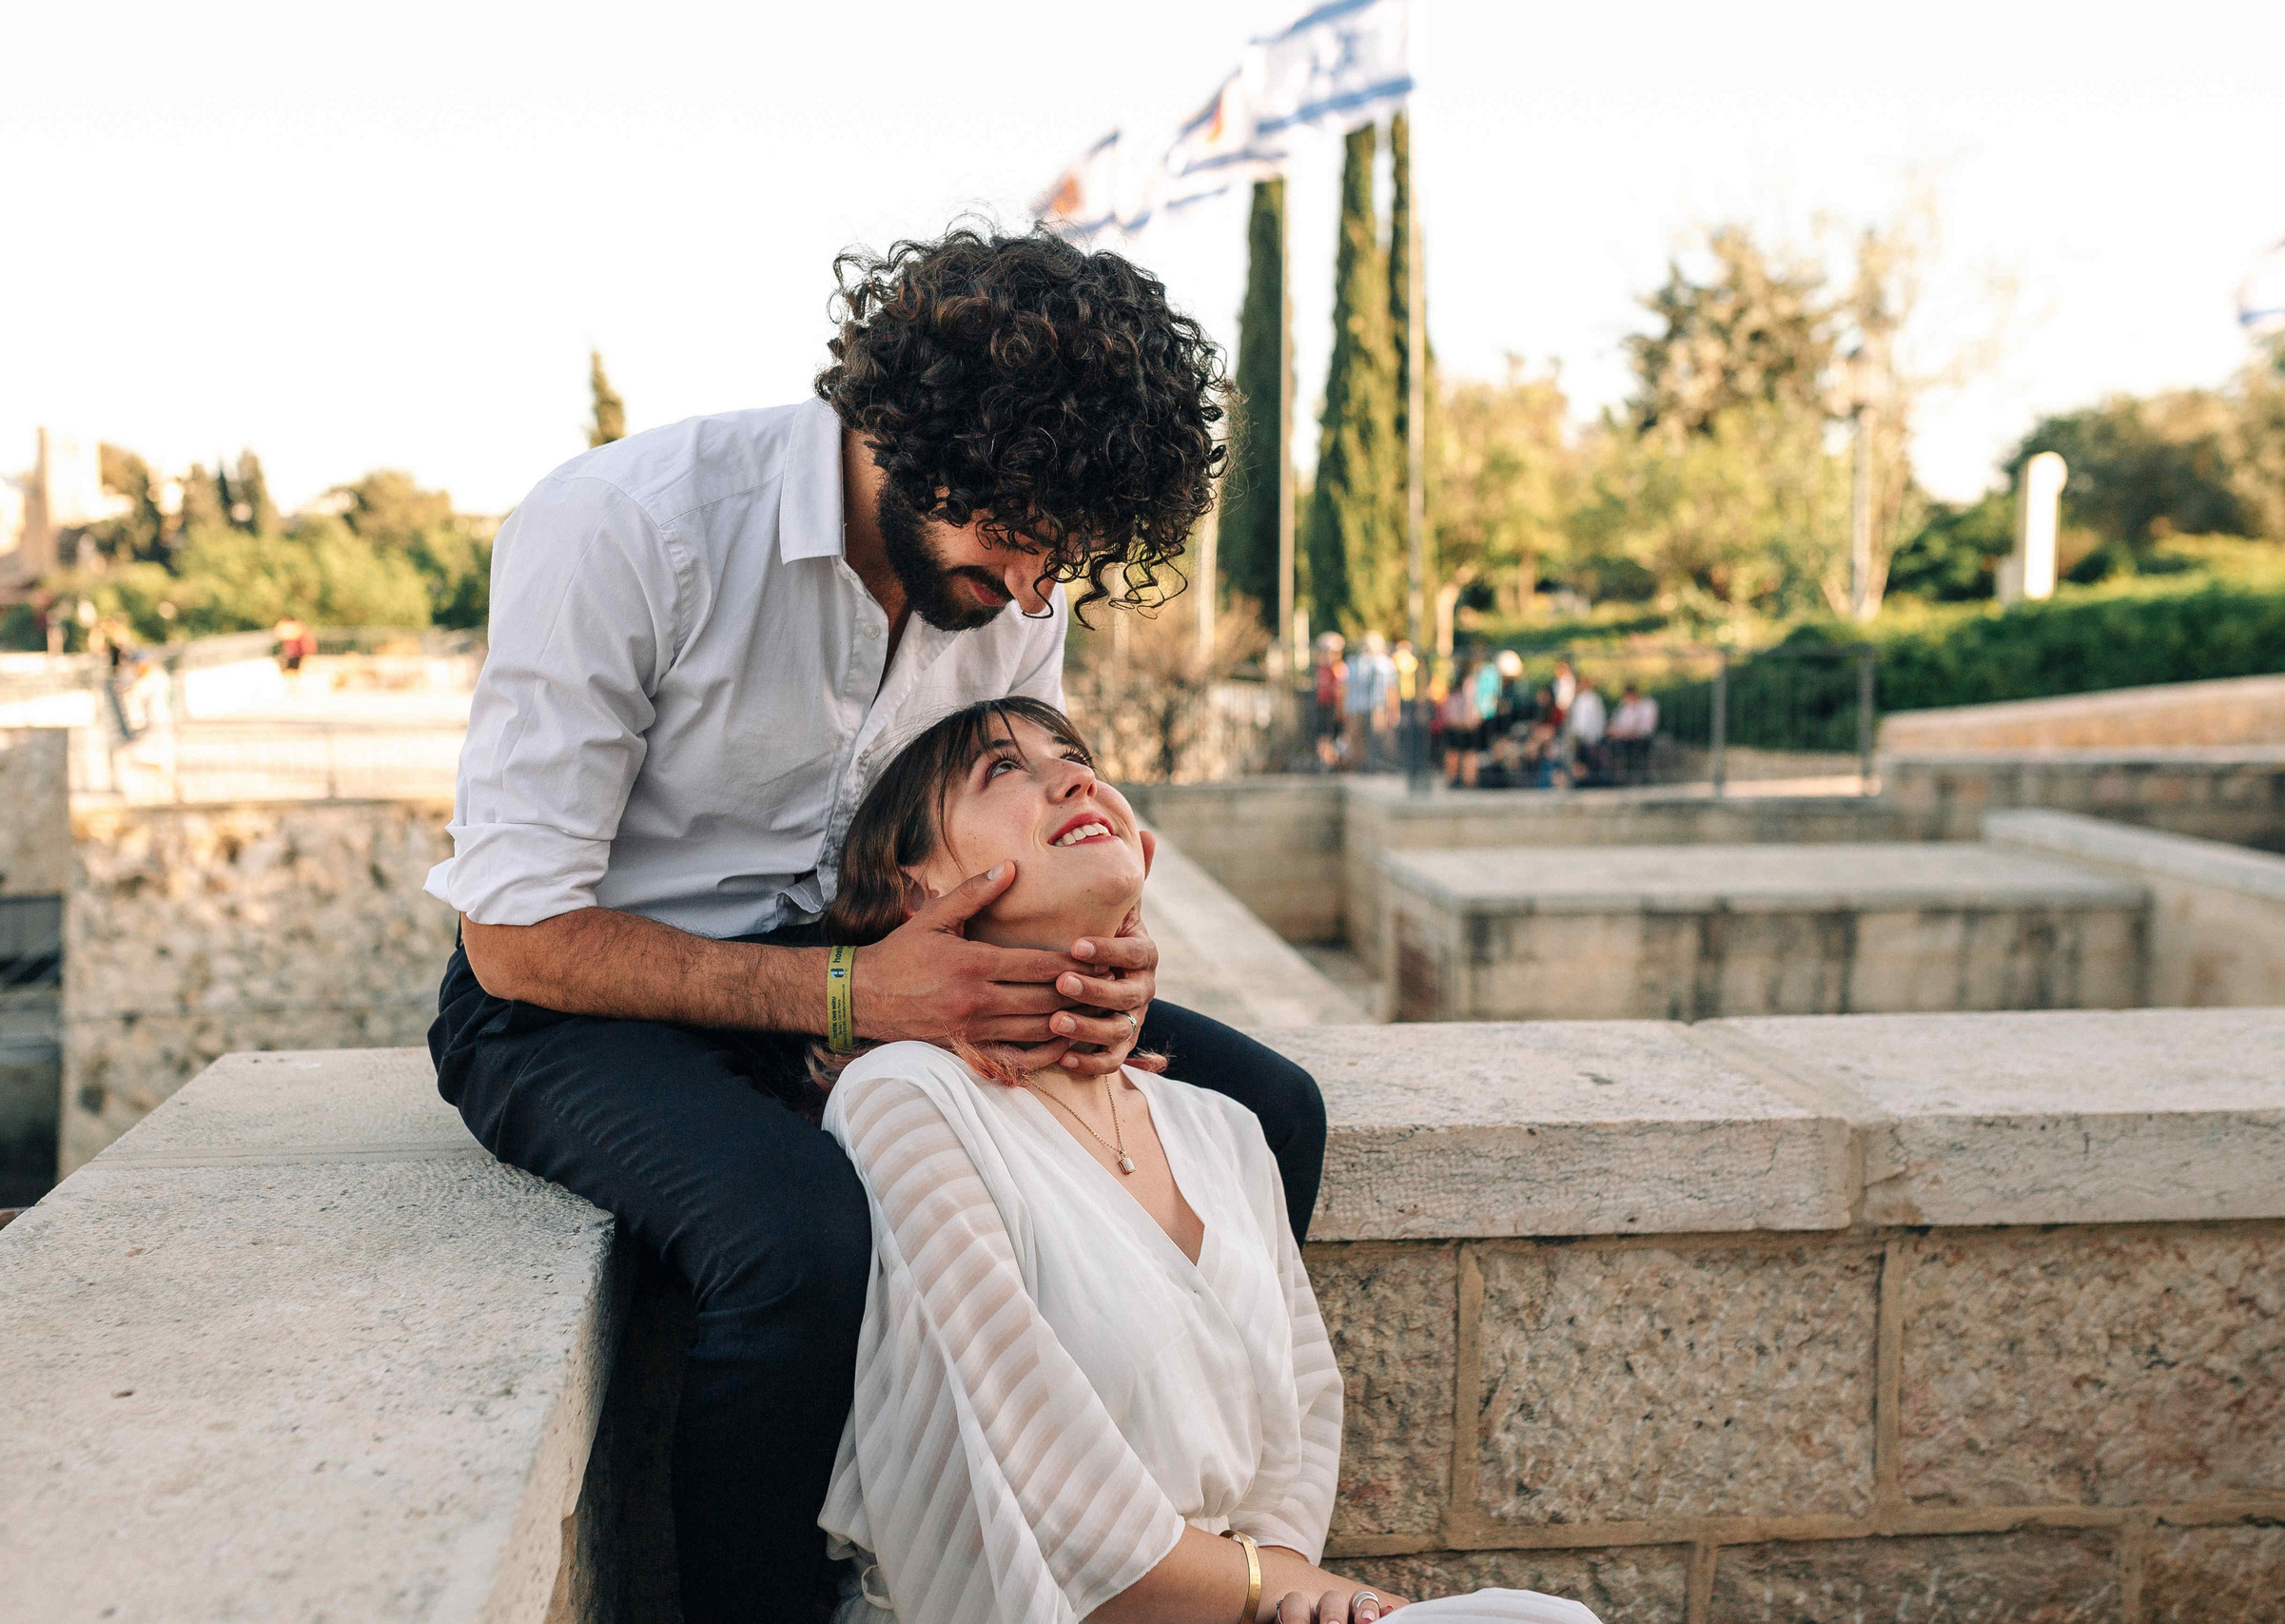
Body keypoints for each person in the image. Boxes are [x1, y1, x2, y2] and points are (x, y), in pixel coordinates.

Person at [424, 226, 1329, 1623]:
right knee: (796, 1241)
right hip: (579, 1001)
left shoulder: (1013, 575)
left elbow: (986, 836)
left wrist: (1094, 972)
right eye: (1023, 539)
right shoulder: (624, 525)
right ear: (915, 438)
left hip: (877, 960)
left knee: (1266, 1104)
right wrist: (856, 1002)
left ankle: (1163, 1544)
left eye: (1068, 558)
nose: (1036, 591)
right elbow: (517, 935)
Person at [811, 696, 1601, 1624]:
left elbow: (1305, 1409)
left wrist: (1287, 1593)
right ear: (917, 892)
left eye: (1073, 752)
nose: (1072, 775)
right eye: (1001, 770)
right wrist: (1274, 1588)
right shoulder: (910, 1102)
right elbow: (1037, 1479)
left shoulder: (1219, 1130)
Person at [1342, 632, 1399, 772]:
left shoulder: (1383, 663)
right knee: (1362, 738)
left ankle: (1372, 766)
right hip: (1363, 707)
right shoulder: (1355, 662)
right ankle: (1364, 767)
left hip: (1372, 707)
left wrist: (1393, 710)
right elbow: (1346, 687)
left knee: (1374, 737)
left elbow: (1390, 689)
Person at [1311, 631, 1349, 770]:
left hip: (1333, 706)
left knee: (1333, 736)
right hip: (1323, 705)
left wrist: (1340, 710)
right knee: (1322, 735)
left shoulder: (1339, 669)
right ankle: (1325, 762)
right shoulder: (1322, 668)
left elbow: (1341, 691)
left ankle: (1332, 762)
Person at [1608, 682, 1660, 783]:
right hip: (1625, 738)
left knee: (1627, 747)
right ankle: (1616, 778)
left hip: (1642, 739)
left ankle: (1637, 778)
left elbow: (1644, 728)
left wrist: (1623, 733)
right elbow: (1617, 726)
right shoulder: (1626, 708)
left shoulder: (1648, 706)